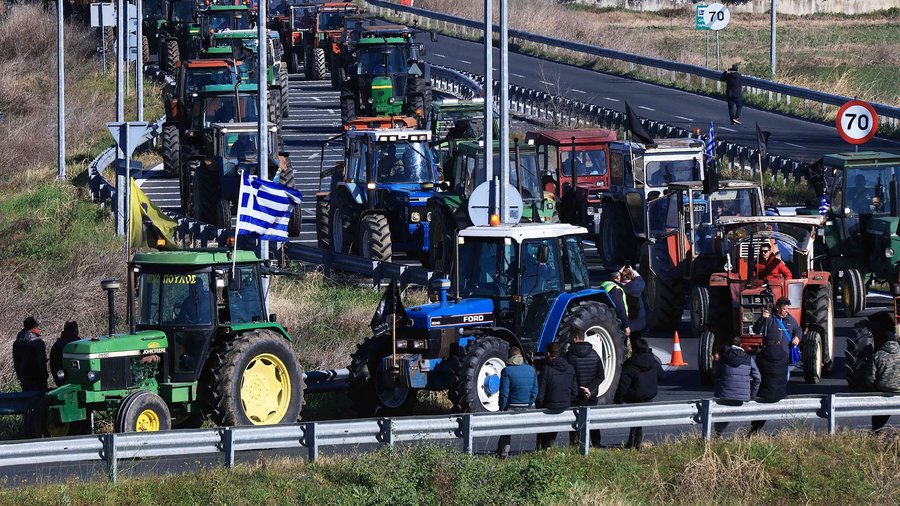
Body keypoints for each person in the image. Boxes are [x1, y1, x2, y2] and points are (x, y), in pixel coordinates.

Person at [615, 338, 664, 449]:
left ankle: (632, 443)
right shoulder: (654, 362)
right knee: (639, 421)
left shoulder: (631, 365)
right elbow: (662, 376)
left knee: (635, 420)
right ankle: (636, 442)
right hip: (649, 395)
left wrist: (618, 400)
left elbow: (623, 384)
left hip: (634, 396)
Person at [496, 346, 538, 458]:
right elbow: (535, 390)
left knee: (506, 431)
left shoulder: (506, 371)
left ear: (510, 357)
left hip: (511, 405)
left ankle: (503, 453)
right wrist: (529, 403)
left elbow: (504, 392)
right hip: (526, 405)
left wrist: (502, 407)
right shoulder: (531, 370)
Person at [713, 335, 761, 435]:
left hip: (725, 395)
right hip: (743, 397)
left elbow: (716, 374)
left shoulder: (724, 357)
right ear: (741, 345)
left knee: (722, 417)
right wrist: (752, 395)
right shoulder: (748, 358)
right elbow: (757, 378)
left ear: (730, 345)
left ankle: (717, 435)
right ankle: (750, 435)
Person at [565, 331, 604, 448]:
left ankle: (574, 443)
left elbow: (568, 377)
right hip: (590, 395)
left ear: (576, 338)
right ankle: (596, 443)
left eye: (571, 338)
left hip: (575, 395)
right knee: (592, 420)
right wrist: (589, 389)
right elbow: (601, 376)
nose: (570, 340)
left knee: (575, 420)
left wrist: (579, 389)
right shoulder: (594, 354)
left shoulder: (568, 356)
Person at [536, 342, 579, 449]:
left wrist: (540, 406)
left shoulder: (546, 369)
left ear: (549, 354)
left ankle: (544, 449)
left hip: (549, 405)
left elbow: (540, 392)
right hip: (565, 405)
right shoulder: (570, 368)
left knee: (545, 435)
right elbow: (575, 391)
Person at [749, 337, 790, 434]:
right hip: (781, 393)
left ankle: (754, 431)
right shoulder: (784, 355)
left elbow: (756, 374)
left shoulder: (761, 355)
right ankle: (754, 432)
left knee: (760, 409)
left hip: (764, 392)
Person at [866, 334, 900, 431]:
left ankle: (876, 431)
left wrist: (873, 388)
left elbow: (870, 377)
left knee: (879, 415)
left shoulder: (878, 355)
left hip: (883, 389)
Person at [13, 316, 48, 392]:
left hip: (24, 379)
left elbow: (16, 362)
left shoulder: (17, 343)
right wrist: (44, 378)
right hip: (37, 380)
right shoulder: (37, 342)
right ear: (35, 326)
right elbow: (41, 363)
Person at [599, 267, 631, 340]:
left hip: (607, 318)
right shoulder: (616, 289)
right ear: (617, 277)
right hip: (617, 321)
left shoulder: (604, 285)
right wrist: (626, 325)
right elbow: (620, 308)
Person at [49, 321, 80, 387]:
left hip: (61, 380)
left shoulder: (57, 345)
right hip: (76, 380)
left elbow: (53, 364)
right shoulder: (79, 345)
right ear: (75, 330)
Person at [619, 265, 646, 338]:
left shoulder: (620, 288)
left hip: (627, 324)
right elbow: (640, 279)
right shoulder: (638, 286)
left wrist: (619, 273)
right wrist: (633, 271)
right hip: (639, 323)